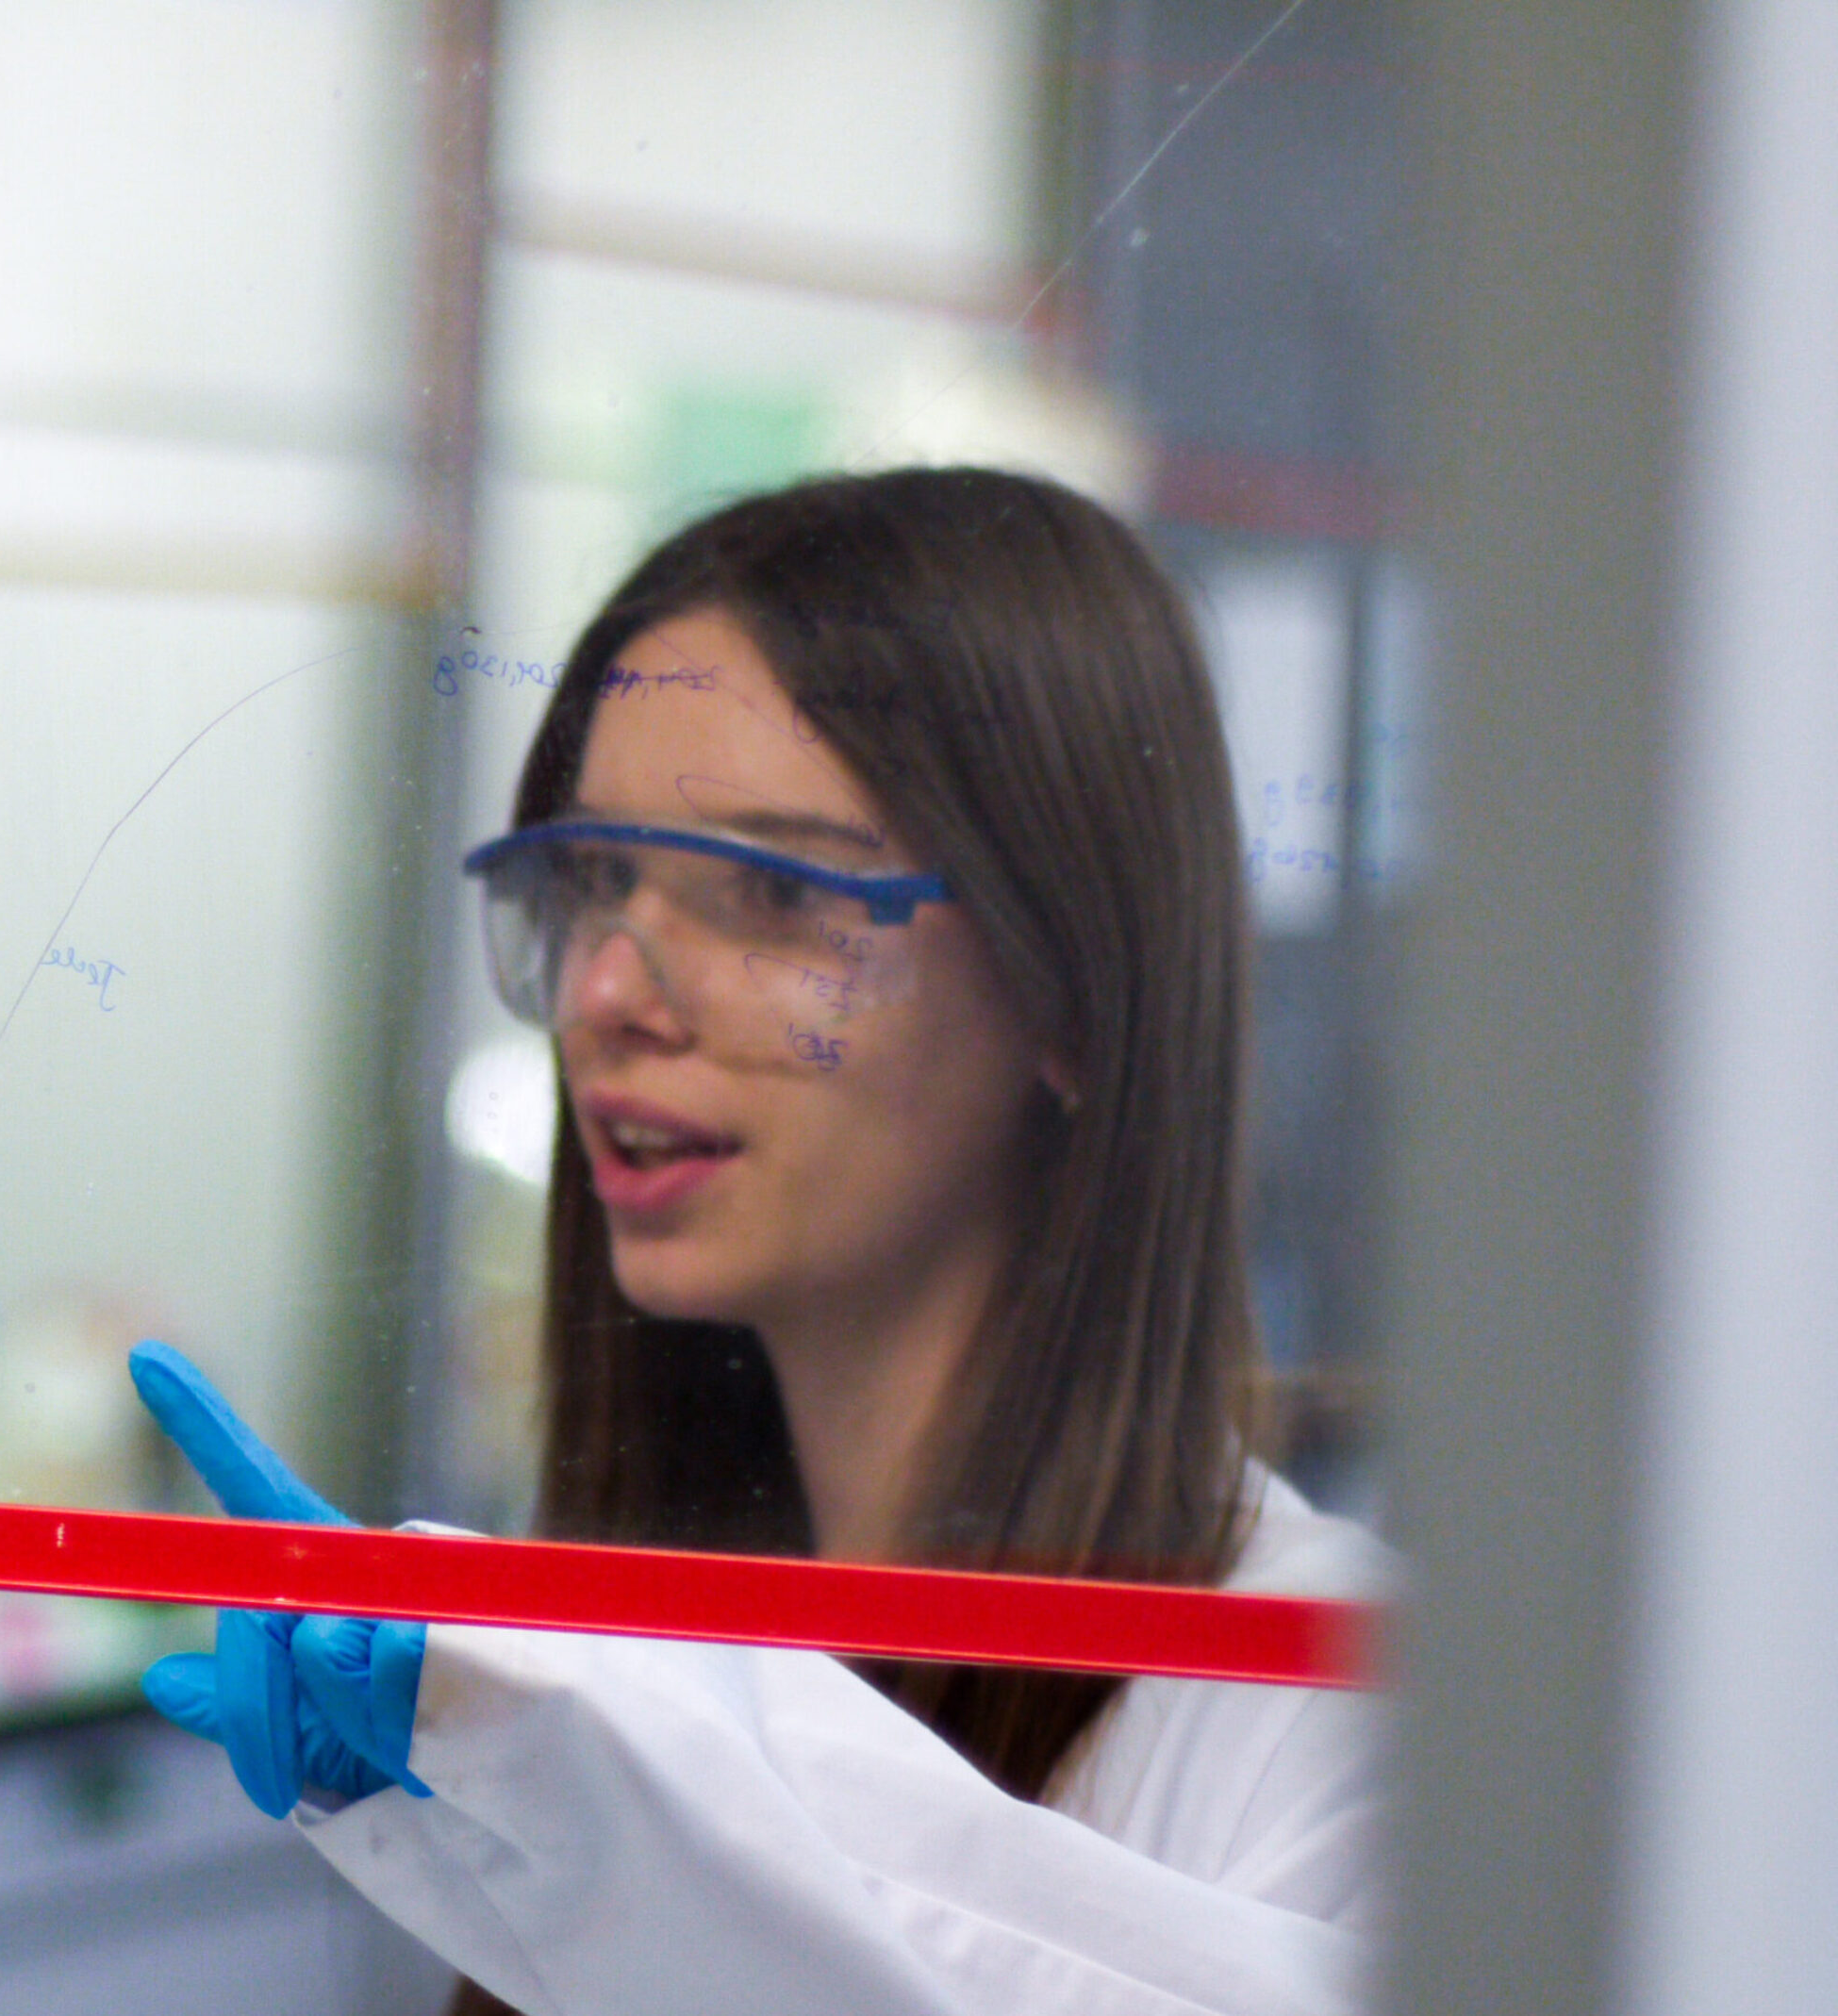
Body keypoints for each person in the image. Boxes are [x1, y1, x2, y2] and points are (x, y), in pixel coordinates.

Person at [137, 468, 1391, 2013]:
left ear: (1072, 990)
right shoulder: (671, 1597)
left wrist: (615, 1792)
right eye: (596, 880)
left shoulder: (1333, 1707)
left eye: (767, 892)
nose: (608, 992)